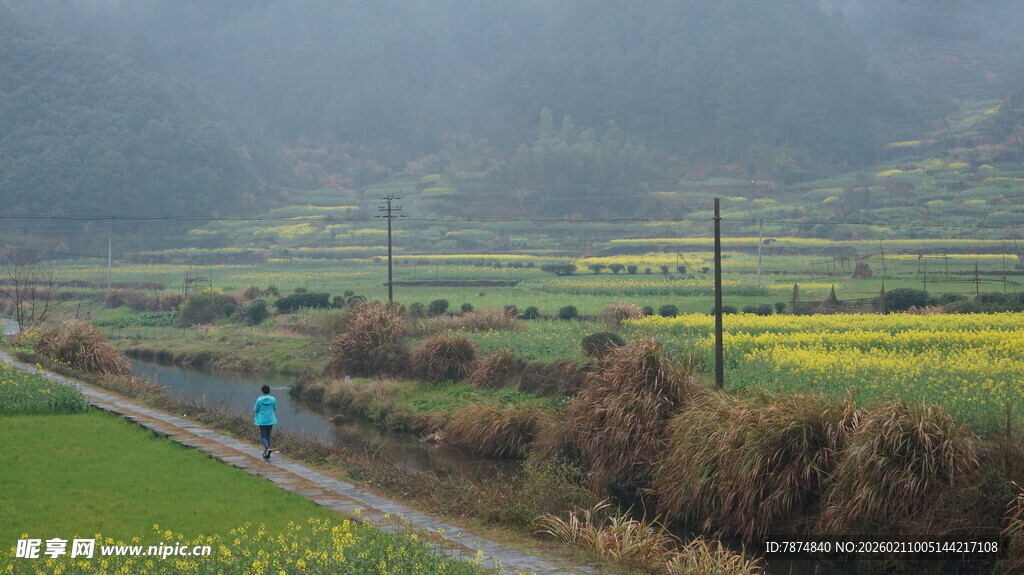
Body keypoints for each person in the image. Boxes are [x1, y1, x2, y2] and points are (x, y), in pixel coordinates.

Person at [253, 385, 277, 460]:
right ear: (269, 391)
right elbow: (274, 408)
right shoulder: (273, 399)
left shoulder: (259, 400)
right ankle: (266, 452)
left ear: (262, 391)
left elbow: (255, 409)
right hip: (270, 419)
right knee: (268, 435)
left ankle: (267, 448)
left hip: (262, 420)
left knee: (263, 436)